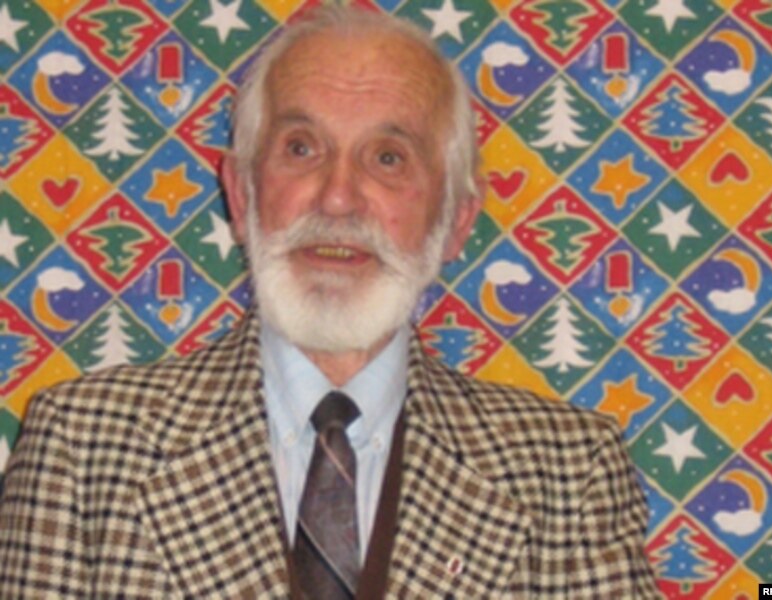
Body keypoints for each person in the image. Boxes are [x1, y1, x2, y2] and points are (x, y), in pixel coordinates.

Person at [0, 6, 660, 599]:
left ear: (456, 219)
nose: (338, 197)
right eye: (301, 148)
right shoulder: (83, 447)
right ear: (240, 193)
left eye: (388, 158)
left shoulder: (569, 470)